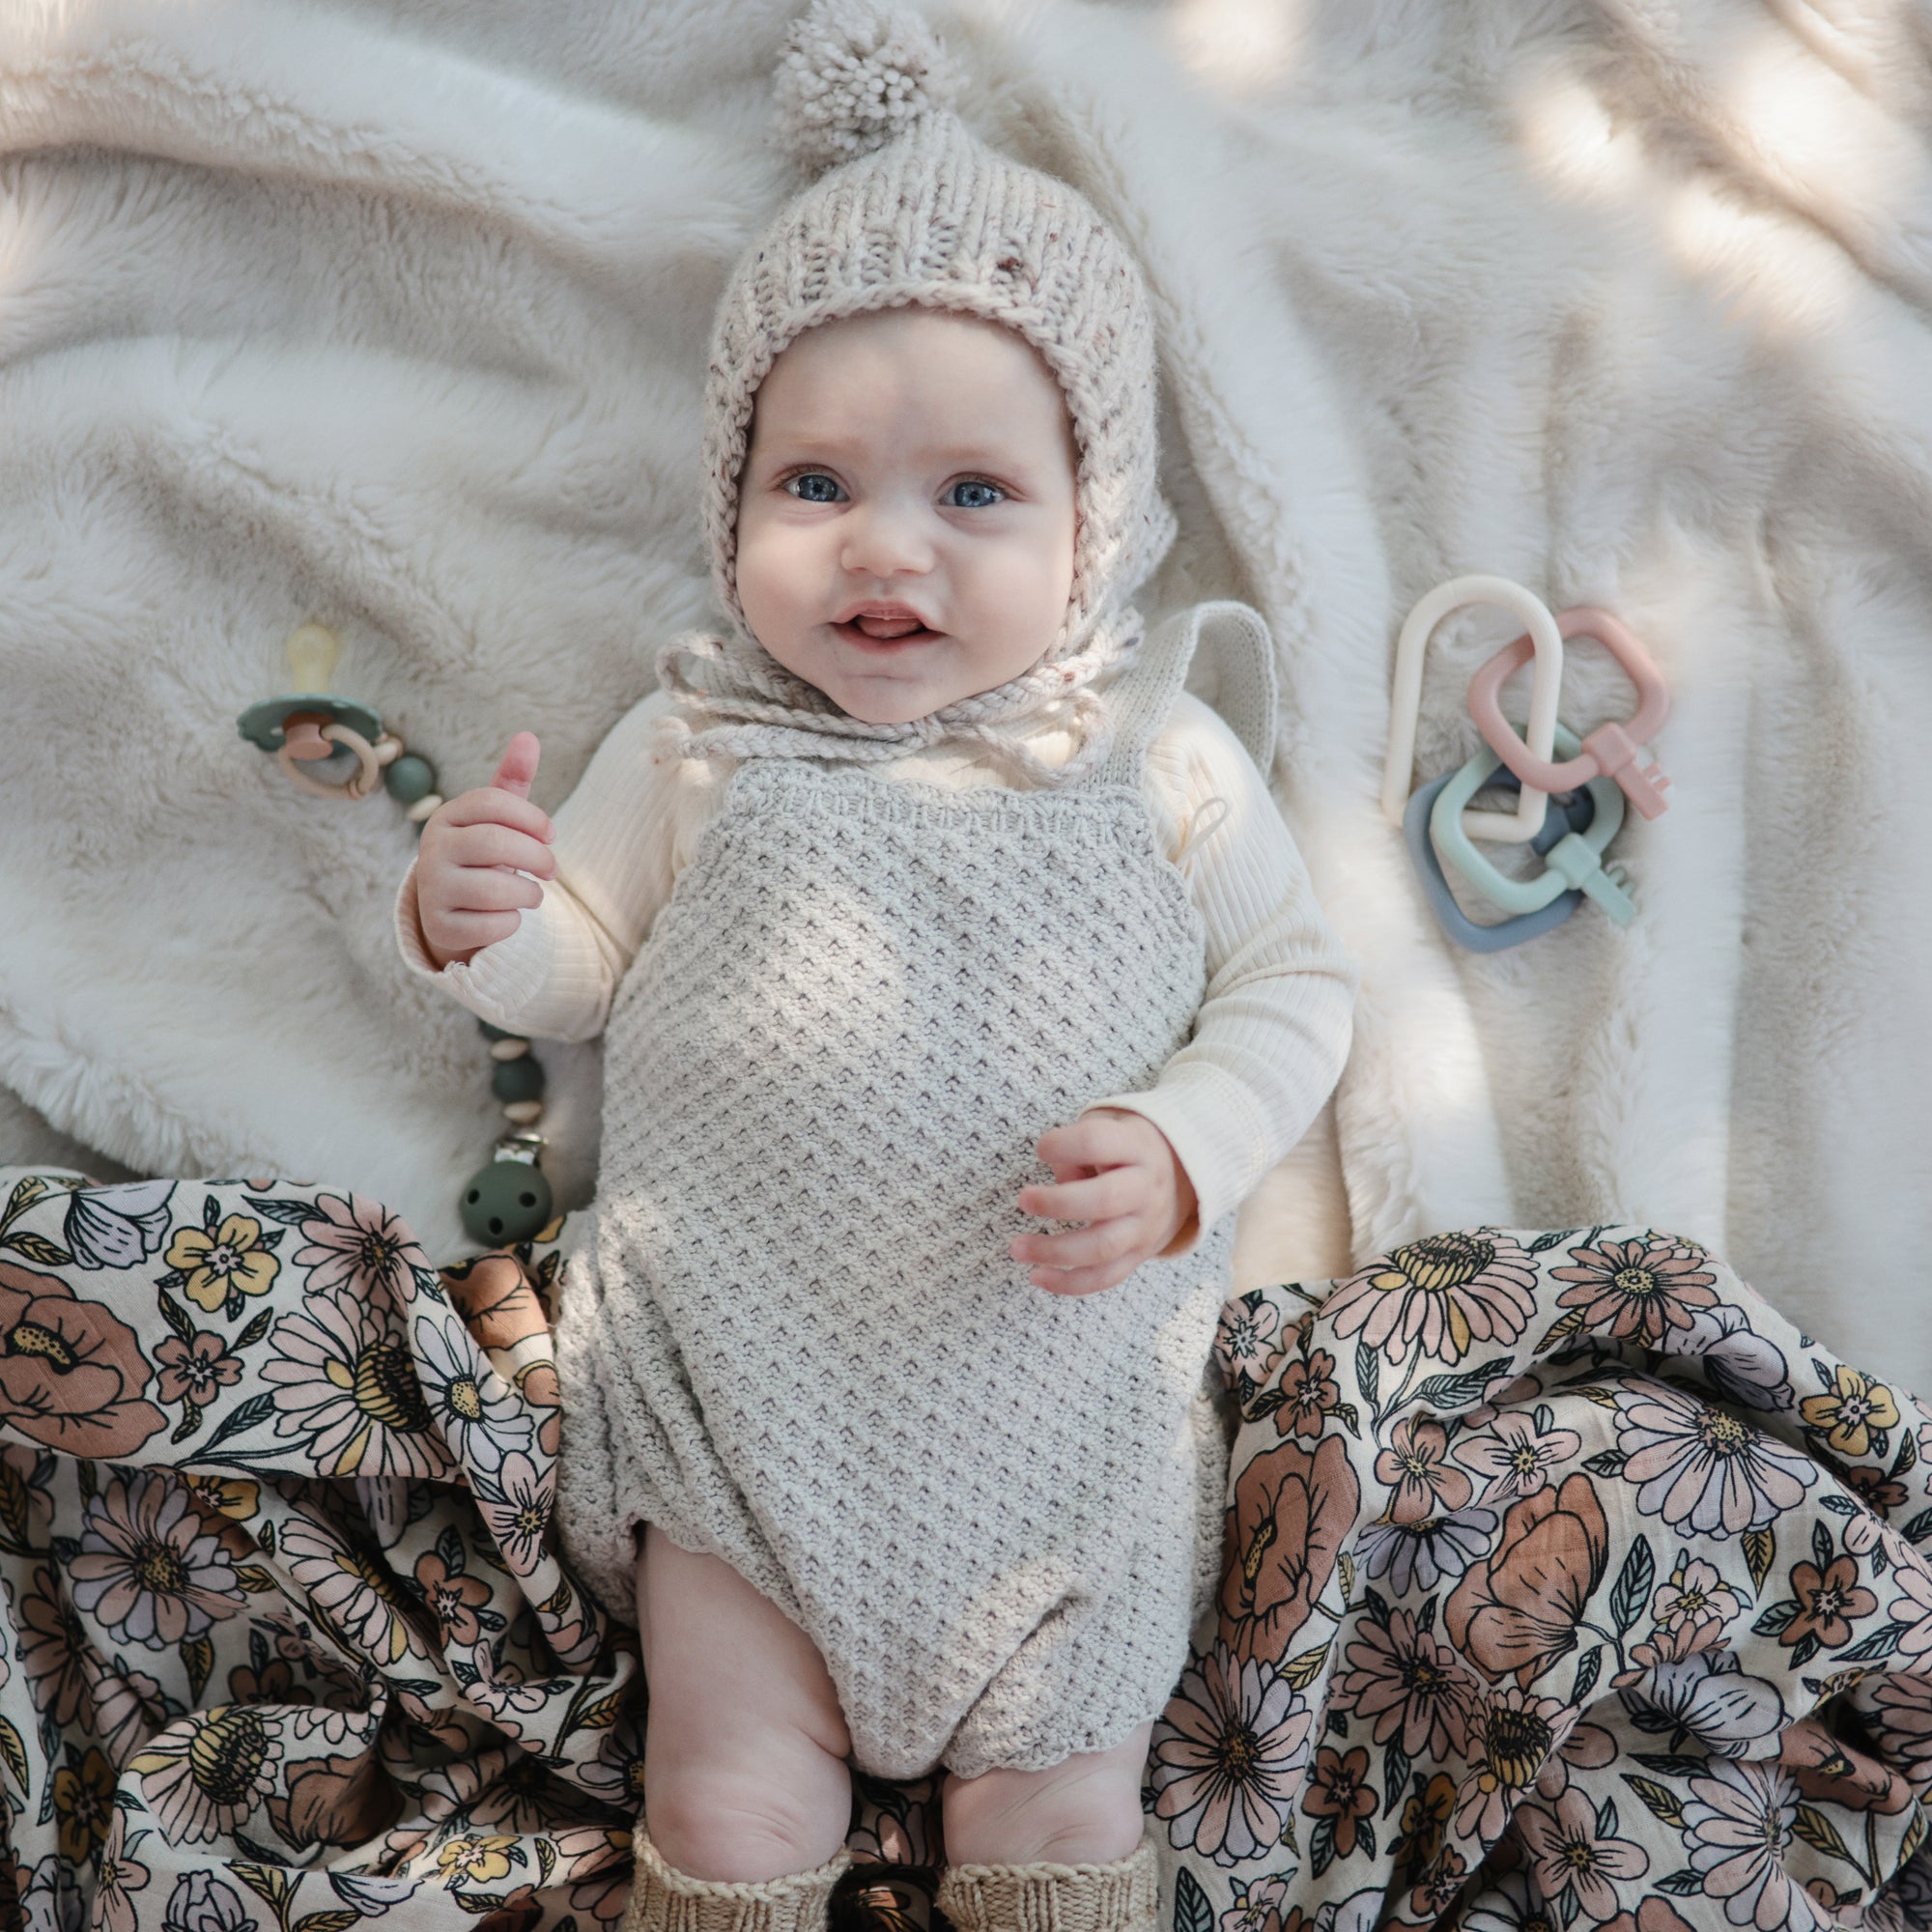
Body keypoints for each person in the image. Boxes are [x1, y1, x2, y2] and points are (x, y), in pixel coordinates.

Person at [394, 7, 1356, 1931]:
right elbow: (573, 971)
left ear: (1099, 527)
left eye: (974, 495)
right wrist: (478, 911)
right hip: (743, 1428)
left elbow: (1297, 982)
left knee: (1060, 1819)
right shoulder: (696, 749)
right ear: (731, 500)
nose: (879, 551)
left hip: (1060, 1452)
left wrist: (1187, 1141)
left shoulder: (1152, 752)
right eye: (813, 485)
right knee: (731, 1800)